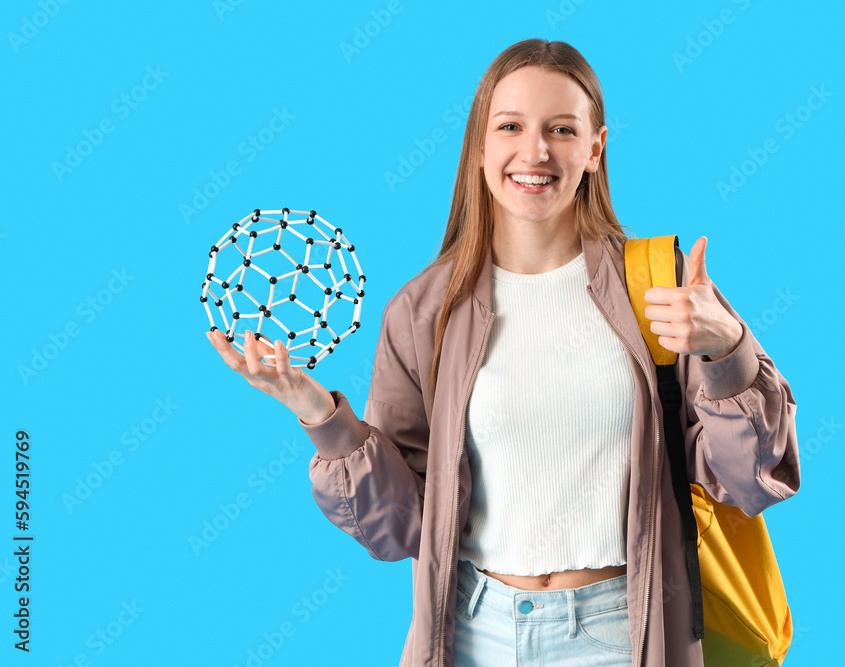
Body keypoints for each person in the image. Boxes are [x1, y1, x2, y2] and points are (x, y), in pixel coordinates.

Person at [207, 38, 800, 667]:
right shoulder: (423, 310)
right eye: (511, 126)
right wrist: (320, 414)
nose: (535, 151)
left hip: (618, 633)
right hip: (469, 633)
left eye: (562, 129)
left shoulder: (661, 285)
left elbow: (750, 480)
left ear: (596, 147)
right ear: (480, 146)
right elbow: (405, 526)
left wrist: (725, 351)